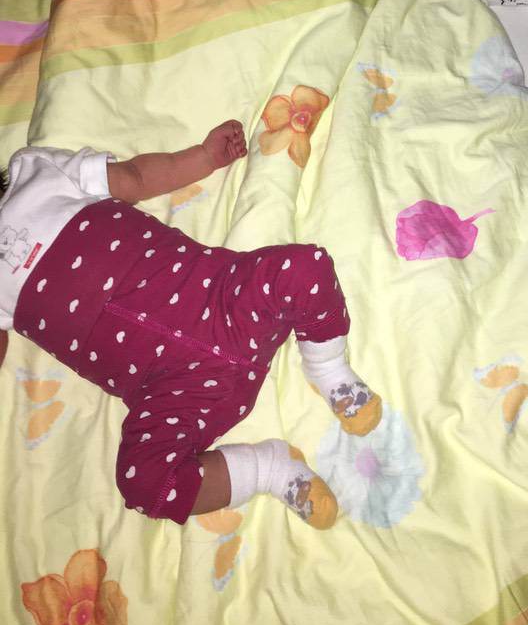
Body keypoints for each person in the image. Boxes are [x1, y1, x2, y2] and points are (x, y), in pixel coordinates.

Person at [0, 120, 382, 529]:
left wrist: (202, 157)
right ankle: (269, 469)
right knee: (145, 484)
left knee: (305, 268)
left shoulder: (34, 172)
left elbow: (134, 177)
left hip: (222, 300)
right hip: (172, 384)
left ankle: (327, 367)